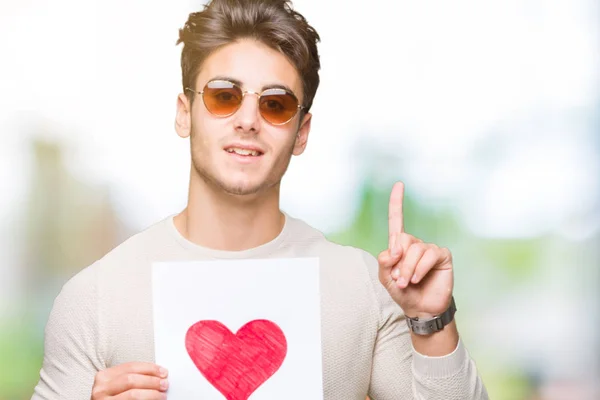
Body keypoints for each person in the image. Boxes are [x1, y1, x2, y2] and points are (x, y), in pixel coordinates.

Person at [32, 0, 489, 399]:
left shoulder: (362, 286)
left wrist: (433, 321)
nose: (248, 119)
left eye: (275, 104)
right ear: (184, 113)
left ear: (301, 132)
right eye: (224, 96)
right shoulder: (97, 297)